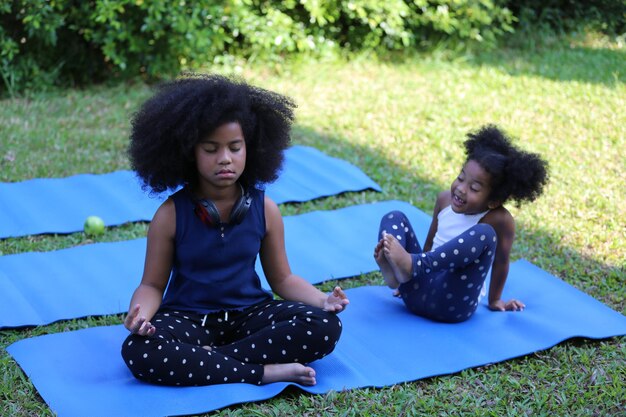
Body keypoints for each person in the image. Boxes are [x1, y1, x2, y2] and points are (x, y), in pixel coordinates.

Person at [121, 73, 349, 387]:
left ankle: (207, 358)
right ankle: (261, 372)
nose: (225, 158)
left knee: (324, 326)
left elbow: (282, 279)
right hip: (188, 318)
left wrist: (322, 300)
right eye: (211, 149)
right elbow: (151, 285)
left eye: (235, 147)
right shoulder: (170, 215)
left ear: (250, 149)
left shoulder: (265, 209)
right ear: (190, 152)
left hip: (251, 316)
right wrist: (141, 314)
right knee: (139, 351)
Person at [374, 125, 548, 323]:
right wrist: (408, 274)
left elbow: (501, 262)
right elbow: (430, 244)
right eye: (461, 178)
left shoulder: (499, 219)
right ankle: (396, 274)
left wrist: (495, 300)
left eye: (474, 188)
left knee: (484, 234)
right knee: (394, 217)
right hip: (414, 293)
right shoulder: (443, 200)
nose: (461, 189)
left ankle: (412, 265)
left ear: (493, 201)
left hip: (452, 304)